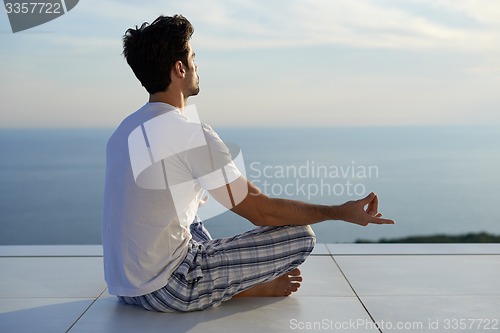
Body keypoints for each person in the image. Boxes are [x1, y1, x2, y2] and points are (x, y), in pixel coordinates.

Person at [102, 14, 395, 313]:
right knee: (301, 235)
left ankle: (228, 283)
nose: (196, 65)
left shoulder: (125, 130)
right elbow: (260, 211)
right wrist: (339, 212)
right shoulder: (190, 134)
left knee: (192, 214)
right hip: (172, 288)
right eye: (192, 57)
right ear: (180, 68)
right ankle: (242, 288)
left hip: (126, 287)